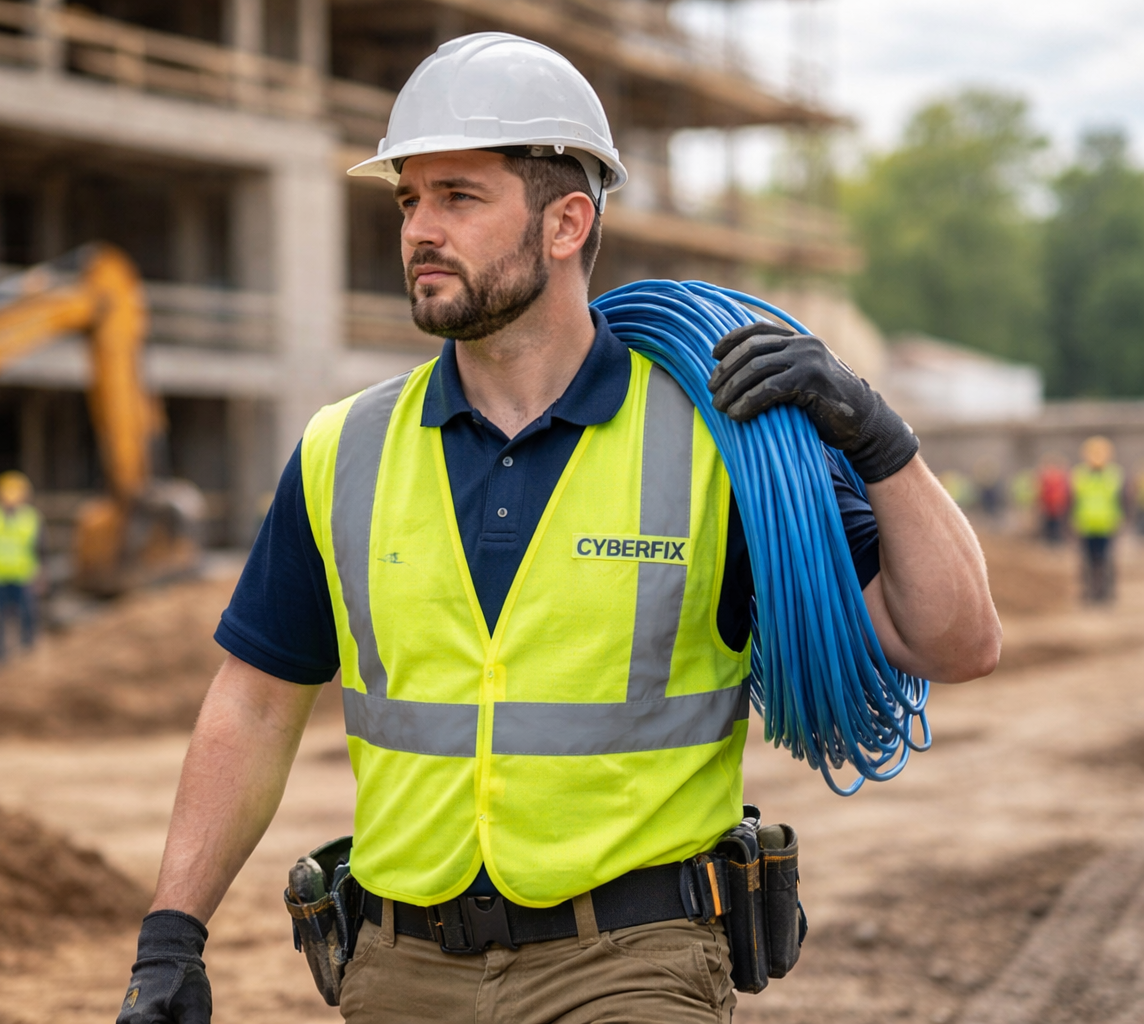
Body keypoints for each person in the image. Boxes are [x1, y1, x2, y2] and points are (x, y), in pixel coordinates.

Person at [116, 33, 1001, 1024]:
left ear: (567, 221)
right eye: (408, 198)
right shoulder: (343, 448)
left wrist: (879, 438)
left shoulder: (722, 447)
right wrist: (171, 940)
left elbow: (956, 640)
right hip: (400, 969)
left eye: (459, 197)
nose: (419, 229)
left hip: (632, 960)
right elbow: (254, 705)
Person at [0, 470, 43, 661]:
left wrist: (41, 575)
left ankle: (28, 654)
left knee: (27, 617)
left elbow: (40, 549)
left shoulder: (31, 518)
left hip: (23, 576)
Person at [1071, 436, 1124, 604]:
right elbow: (1074, 500)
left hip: (1106, 525)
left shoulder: (1113, 474)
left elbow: (1121, 500)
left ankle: (1106, 592)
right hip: (1086, 525)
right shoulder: (1080, 474)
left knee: (1105, 560)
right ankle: (1089, 591)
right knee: (1088, 561)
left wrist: (1119, 520)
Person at [1037, 457, 1071, 546]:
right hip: (1049, 505)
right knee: (1049, 523)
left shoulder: (1061, 477)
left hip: (1058, 505)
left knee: (1058, 523)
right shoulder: (1045, 478)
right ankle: (1050, 539)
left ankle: (1056, 539)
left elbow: (1066, 492)